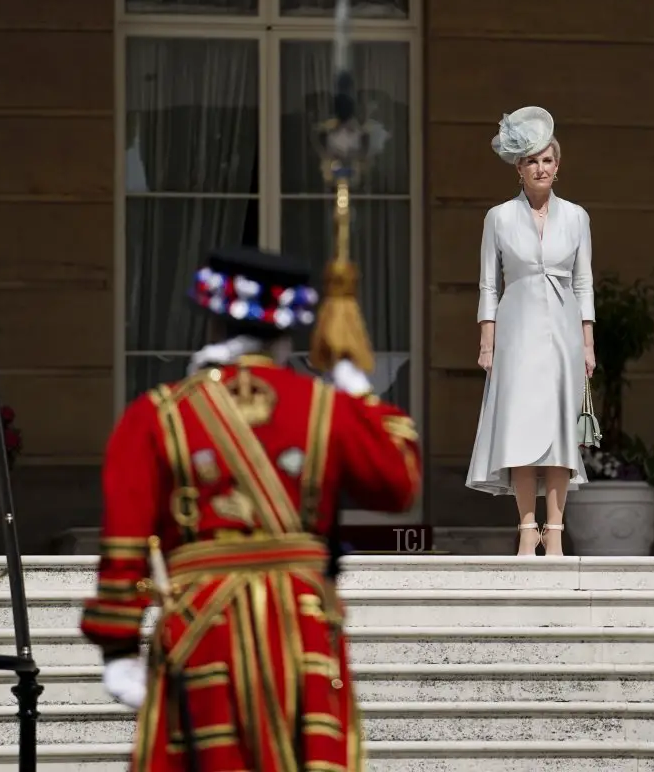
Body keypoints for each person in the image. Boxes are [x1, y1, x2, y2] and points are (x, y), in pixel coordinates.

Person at [79, 246, 422, 771]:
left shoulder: (158, 412)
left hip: (202, 627)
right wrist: (361, 395)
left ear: (212, 318)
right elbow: (397, 483)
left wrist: (119, 645)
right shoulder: (326, 408)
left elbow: (124, 537)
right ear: (290, 329)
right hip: (300, 629)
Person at [465, 106, 597, 557]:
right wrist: (488, 342)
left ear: (558, 167)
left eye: (547, 160)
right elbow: (488, 283)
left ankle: (555, 532)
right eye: (532, 161)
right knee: (520, 427)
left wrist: (587, 344)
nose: (540, 167)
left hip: (562, 328)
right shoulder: (498, 218)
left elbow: (584, 283)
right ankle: (526, 530)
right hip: (516, 327)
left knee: (561, 430)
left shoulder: (577, 217)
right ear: (518, 169)